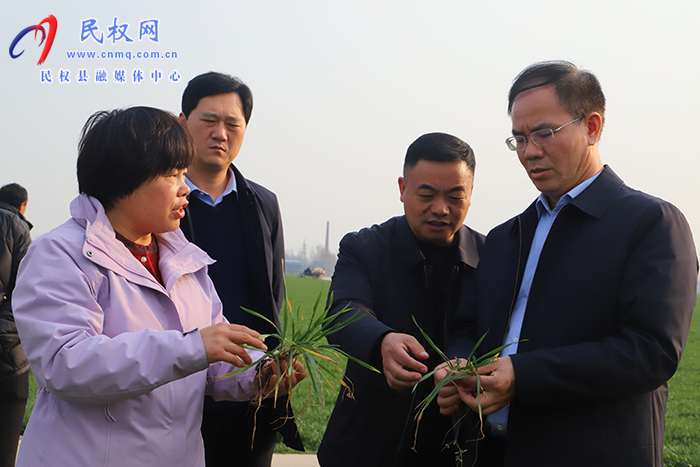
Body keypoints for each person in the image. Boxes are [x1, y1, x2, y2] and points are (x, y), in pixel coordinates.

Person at [436, 61, 698, 467]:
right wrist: (458, 363)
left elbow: (652, 351)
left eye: (544, 133)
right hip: (491, 452)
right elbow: (468, 326)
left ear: (592, 127)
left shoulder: (650, 224)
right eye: (519, 138)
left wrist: (524, 376)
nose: (530, 152)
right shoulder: (507, 236)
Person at [12, 107, 305, 467]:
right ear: (125, 180)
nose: (185, 188)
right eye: (173, 174)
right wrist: (191, 347)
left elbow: (212, 363)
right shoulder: (61, 253)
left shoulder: (184, 260)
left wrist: (258, 375)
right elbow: (66, 365)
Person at [317, 133, 485, 467]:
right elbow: (343, 311)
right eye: (426, 194)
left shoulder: (491, 257)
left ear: (470, 195)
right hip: (368, 440)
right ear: (402, 188)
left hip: (455, 442)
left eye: (455, 196)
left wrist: (465, 361)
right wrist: (381, 341)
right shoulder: (365, 247)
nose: (440, 208)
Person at [178, 72, 302, 467]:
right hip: (178, 385)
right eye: (208, 121)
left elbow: (273, 292)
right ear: (183, 123)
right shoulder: (161, 199)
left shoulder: (262, 203)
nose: (221, 134)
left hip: (250, 391)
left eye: (232, 124)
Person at [0, 183, 32, 467]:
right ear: (23, 206)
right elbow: (27, 294)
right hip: (9, 354)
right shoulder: (19, 228)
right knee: (6, 450)